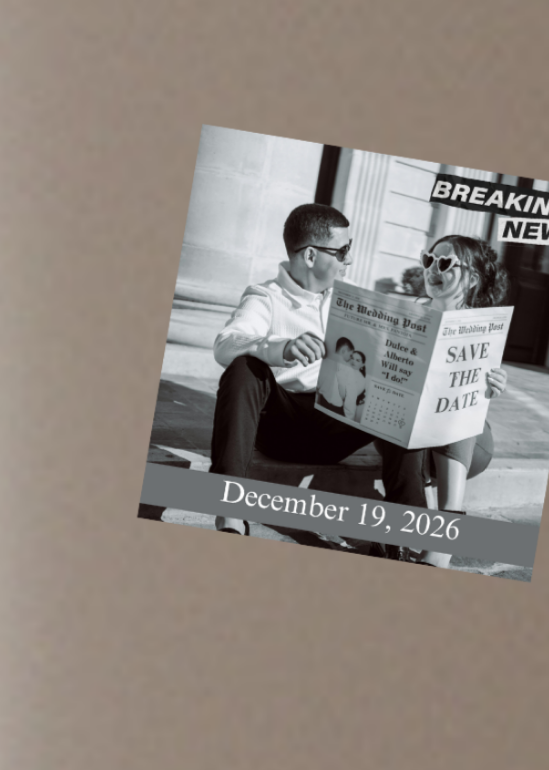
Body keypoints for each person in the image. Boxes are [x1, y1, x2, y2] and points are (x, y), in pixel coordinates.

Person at [208, 204, 495, 538]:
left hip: (337, 424)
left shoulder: (353, 299)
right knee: (244, 367)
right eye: (343, 251)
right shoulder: (265, 297)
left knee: (399, 396)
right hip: (280, 426)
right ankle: (229, 510)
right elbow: (224, 344)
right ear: (311, 256)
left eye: (350, 249)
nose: (350, 259)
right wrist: (280, 348)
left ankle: (406, 530)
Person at [373, 233, 510, 567]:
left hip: (464, 445)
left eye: (445, 262)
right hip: (408, 436)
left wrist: (493, 384)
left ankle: (448, 527)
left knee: (455, 407)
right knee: (411, 415)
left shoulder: (483, 327)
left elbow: (477, 397)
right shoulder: (403, 315)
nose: (433, 268)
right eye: (428, 259)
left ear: (472, 278)